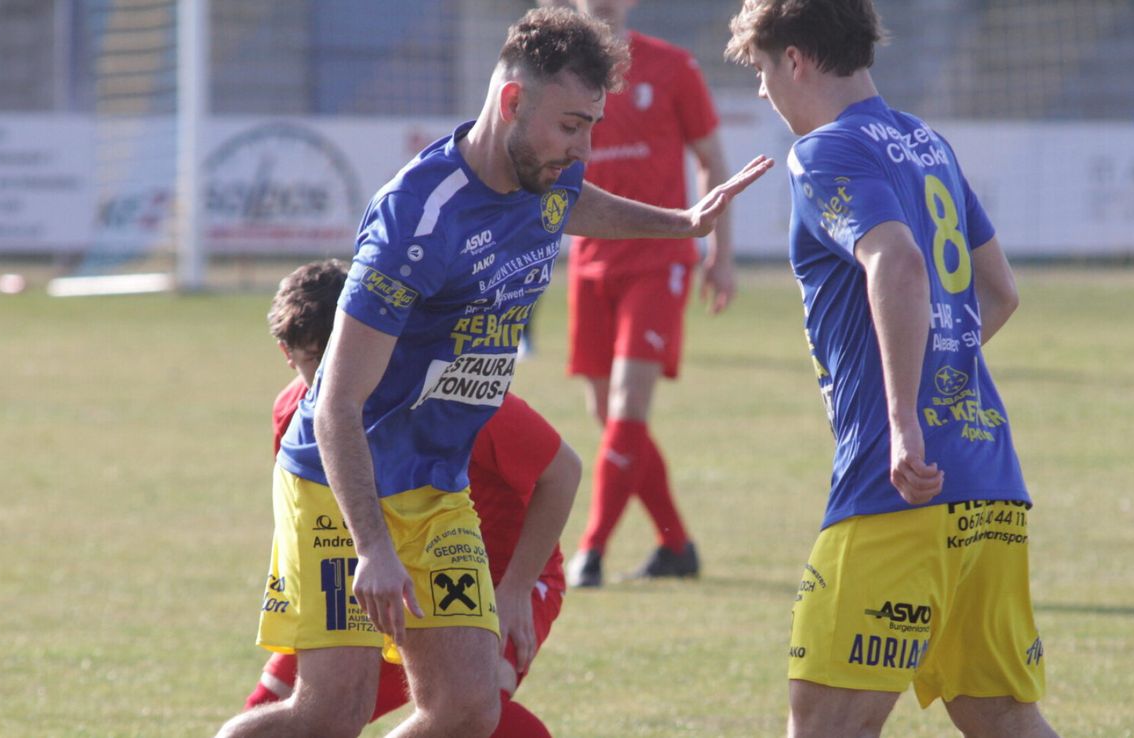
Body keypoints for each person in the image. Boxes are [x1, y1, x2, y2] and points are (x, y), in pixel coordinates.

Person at [215, 7, 770, 737]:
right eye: (572, 125)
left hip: (437, 486)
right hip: (342, 486)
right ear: (512, 101)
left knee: (467, 710)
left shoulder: (543, 182)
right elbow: (336, 403)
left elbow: (576, 206)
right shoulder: (417, 219)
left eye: (593, 126)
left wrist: (682, 223)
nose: (583, 148)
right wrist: (373, 549)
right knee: (331, 712)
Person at [725, 2, 1059, 736]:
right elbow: (998, 290)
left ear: (796, 60)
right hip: (990, 488)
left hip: (897, 492)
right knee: (1002, 717)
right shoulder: (925, 141)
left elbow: (899, 262)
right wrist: (940, 369)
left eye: (759, 70)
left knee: (823, 723)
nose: (760, 92)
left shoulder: (823, 152)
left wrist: (904, 419)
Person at [242, 260, 578, 738]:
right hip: (379, 562)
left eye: (338, 354)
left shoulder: (448, 397)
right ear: (287, 355)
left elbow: (563, 473)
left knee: (474, 709)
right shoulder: (297, 416)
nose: (328, 376)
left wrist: (516, 588)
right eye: (313, 360)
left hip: (501, 570)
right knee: (291, 704)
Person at [562, 0, 736, 588]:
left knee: (626, 408)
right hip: (589, 261)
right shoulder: (563, 70)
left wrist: (722, 255)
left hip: (659, 260)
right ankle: (677, 547)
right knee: (606, 415)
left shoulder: (672, 67)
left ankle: (590, 550)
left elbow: (713, 160)